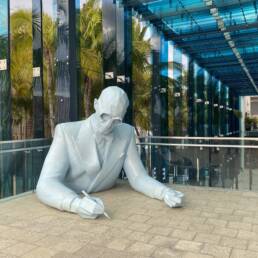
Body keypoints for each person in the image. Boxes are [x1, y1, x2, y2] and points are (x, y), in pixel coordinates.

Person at [36, 86, 184, 219]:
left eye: (116, 120)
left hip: (112, 197)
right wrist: (75, 204)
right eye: (104, 116)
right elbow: (46, 183)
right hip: (74, 198)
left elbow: (138, 177)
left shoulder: (126, 133)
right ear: (95, 104)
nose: (108, 125)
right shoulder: (66, 132)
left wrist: (164, 192)